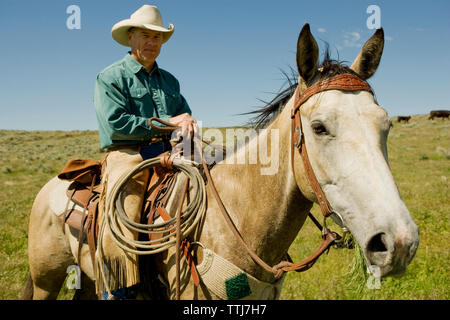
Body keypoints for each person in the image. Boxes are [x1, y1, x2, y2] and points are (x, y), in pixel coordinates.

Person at [93, 5, 197, 299]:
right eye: (145, 36)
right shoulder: (110, 77)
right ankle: (117, 287)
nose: (151, 43)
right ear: (130, 38)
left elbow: (183, 116)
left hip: (168, 152)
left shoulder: (170, 82)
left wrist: (187, 126)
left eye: (157, 38)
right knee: (125, 201)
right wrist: (167, 124)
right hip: (128, 153)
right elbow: (115, 125)